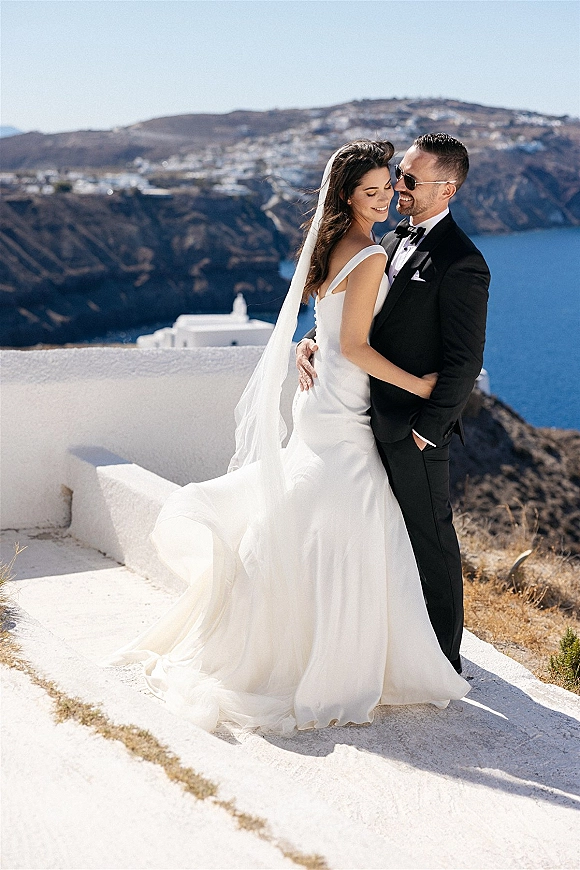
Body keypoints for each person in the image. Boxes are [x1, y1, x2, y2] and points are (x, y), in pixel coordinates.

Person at [103, 140, 469, 733]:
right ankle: (339, 653)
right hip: (343, 404)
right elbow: (353, 343)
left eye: (390, 188)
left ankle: (291, 636)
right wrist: (423, 388)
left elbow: (330, 326)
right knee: (352, 515)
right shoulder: (372, 252)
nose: (386, 198)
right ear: (346, 195)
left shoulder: (333, 247)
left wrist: (310, 344)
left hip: (322, 400)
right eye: (373, 190)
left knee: (314, 513)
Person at [297, 133, 490, 674]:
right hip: (358, 414)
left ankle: (442, 658)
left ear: (447, 188)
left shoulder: (463, 262)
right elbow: (351, 320)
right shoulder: (391, 238)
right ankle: (384, 644)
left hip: (410, 428)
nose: (398, 187)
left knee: (430, 539)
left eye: (409, 180)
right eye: (398, 176)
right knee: (379, 534)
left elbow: (464, 361)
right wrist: (313, 340)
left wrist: (428, 428)